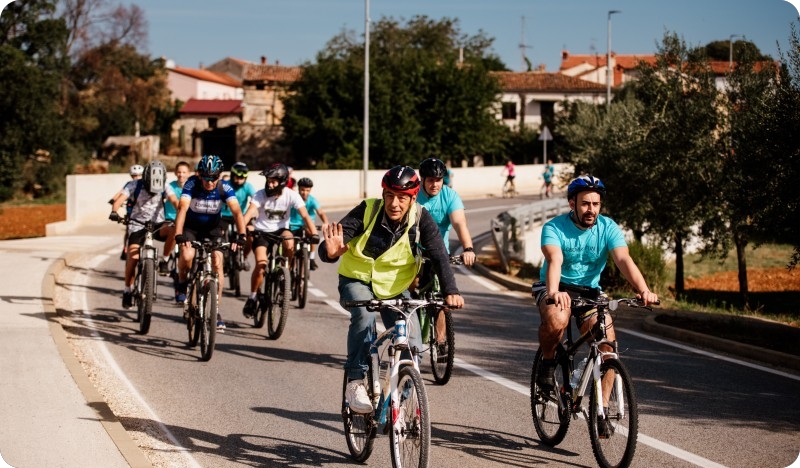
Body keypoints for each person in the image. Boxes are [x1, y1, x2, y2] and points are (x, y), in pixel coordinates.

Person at [319, 165, 464, 414]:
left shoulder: (421, 218)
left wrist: (451, 290)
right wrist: (329, 252)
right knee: (364, 317)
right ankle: (355, 381)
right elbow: (335, 242)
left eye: (402, 198)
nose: (394, 203)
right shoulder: (368, 209)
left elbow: (440, 256)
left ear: (412, 198)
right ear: (383, 194)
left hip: (395, 289)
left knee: (413, 343)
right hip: (357, 280)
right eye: (390, 196)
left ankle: (398, 397)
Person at [533, 175, 658, 434]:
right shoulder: (554, 228)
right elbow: (554, 260)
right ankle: (547, 366)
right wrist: (554, 292)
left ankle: (600, 411)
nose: (591, 209)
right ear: (572, 204)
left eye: (596, 204)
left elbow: (623, 259)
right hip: (555, 285)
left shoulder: (608, 227)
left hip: (590, 292)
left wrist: (643, 289)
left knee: (608, 346)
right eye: (585, 204)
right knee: (557, 320)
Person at [173, 155, 247, 332]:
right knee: (187, 255)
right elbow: (182, 208)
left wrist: (242, 235)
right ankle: (182, 281)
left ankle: (216, 310)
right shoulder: (191, 184)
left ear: (219, 176)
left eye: (213, 178)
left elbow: (237, 212)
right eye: (205, 177)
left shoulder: (224, 187)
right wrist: (178, 234)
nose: (209, 182)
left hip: (213, 230)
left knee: (217, 264)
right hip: (191, 228)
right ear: (199, 175)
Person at [241, 164, 319, 318]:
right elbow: (249, 213)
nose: (269, 184)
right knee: (261, 265)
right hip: (262, 232)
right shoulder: (260, 194)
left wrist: (315, 234)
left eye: (273, 182)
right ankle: (252, 297)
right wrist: (242, 231)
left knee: (290, 241)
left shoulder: (291, 195)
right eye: (268, 181)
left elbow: (305, 215)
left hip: (281, 230)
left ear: (282, 182)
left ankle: (286, 271)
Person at [415, 158, 476, 345]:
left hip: (441, 253)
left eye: (439, 180)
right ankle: (412, 331)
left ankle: (440, 342)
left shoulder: (450, 196)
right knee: (412, 289)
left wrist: (468, 248)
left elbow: (459, 223)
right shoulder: (414, 195)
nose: (435, 184)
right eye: (431, 180)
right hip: (415, 252)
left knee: (443, 299)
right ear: (422, 179)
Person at [109, 161, 171, 309]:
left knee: (174, 230)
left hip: (157, 224)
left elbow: (174, 200)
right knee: (134, 257)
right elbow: (118, 201)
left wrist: (182, 210)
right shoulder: (133, 185)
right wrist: (114, 211)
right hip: (137, 224)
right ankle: (127, 290)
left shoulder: (165, 186)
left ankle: (165, 260)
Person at [221, 162, 257, 271]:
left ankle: (244, 257)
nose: (239, 180)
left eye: (242, 178)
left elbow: (256, 200)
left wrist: (255, 211)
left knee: (250, 235)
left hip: (242, 217)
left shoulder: (248, 187)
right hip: (224, 216)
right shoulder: (225, 185)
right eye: (237, 177)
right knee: (220, 234)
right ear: (232, 175)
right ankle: (223, 257)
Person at [289, 177, 330, 271]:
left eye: (308, 190)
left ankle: (311, 258)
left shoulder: (312, 200)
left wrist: (325, 223)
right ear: (298, 189)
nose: (305, 193)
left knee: (312, 233)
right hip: (293, 225)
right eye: (302, 190)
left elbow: (321, 213)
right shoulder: (294, 198)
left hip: (308, 225)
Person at [161, 161, 191, 286]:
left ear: (189, 174)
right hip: (170, 219)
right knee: (173, 231)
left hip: (187, 220)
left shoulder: (192, 187)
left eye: (184, 172)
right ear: (175, 173)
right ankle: (165, 259)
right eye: (179, 172)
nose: (181, 175)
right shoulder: (169, 186)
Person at [109, 164, 144, 261]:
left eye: (139, 175)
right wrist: (114, 199)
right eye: (134, 176)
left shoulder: (144, 185)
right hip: (131, 210)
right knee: (128, 229)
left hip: (143, 212)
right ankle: (125, 247)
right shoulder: (129, 184)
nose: (136, 177)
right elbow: (121, 192)